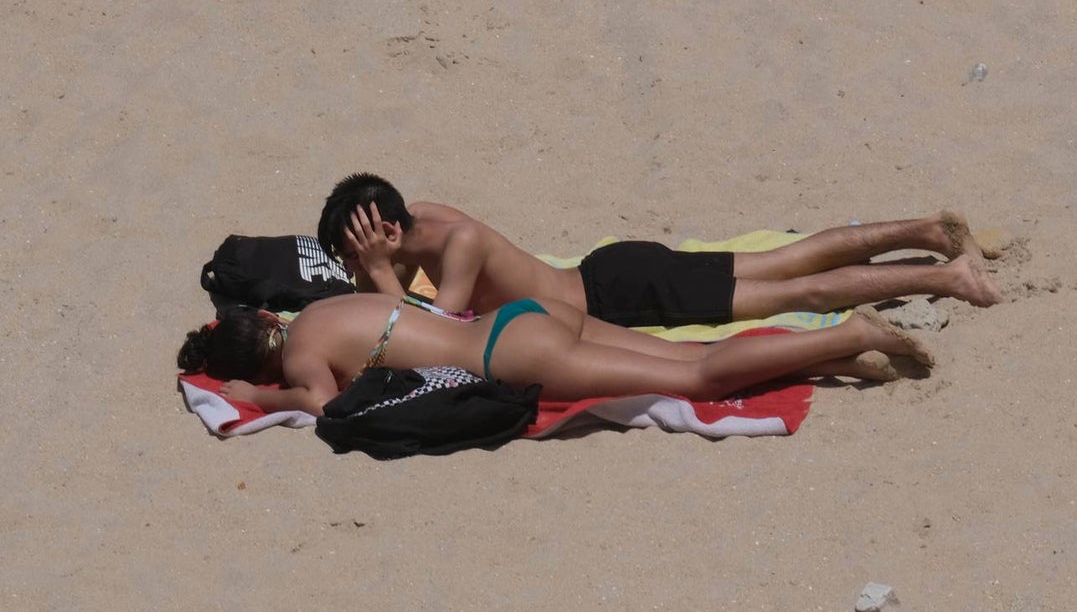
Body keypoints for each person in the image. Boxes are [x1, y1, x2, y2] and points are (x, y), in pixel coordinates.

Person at [315, 173, 1003, 328]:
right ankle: (926, 229)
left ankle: (947, 276)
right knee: (788, 259)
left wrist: (377, 274)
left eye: (358, 248)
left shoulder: (456, 247)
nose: (354, 265)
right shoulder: (427, 213)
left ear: (389, 232)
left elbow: (425, 335)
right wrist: (382, 265)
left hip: (622, 294)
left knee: (799, 291)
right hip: (615, 269)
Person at [178, 292, 935, 416]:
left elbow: (324, 404)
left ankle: (853, 334)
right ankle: (833, 357)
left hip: (512, 352)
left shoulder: (299, 355)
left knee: (695, 380)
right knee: (696, 353)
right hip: (521, 314)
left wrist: (260, 397)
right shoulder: (317, 309)